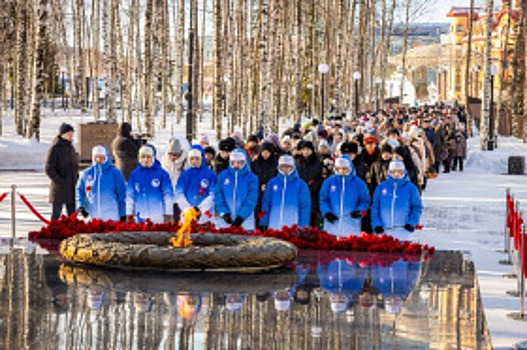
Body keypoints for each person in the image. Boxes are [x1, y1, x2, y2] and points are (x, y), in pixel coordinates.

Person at [371, 159, 423, 242]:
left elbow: (417, 207)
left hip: (404, 231)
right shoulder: (381, 187)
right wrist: (376, 224)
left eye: (399, 171)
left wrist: (412, 222)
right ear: (389, 172)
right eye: (393, 171)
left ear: (404, 172)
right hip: (384, 231)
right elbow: (375, 207)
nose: (396, 174)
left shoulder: (411, 188)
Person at [319, 156, 370, 237]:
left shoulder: (359, 183)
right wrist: (326, 212)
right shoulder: (329, 182)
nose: (342, 171)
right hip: (331, 225)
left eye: (344, 168)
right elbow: (323, 200)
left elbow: (364, 201)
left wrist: (359, 211)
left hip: (352, 226)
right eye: (339, 168)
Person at [259, 155, 311, 231]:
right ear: (279, 168)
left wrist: (304, 225)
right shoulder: (272, 183)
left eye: (288, 167)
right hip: (273, 224)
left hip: (293, 224)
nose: (285, 169)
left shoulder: (301, 185)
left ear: (293, 168)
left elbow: (305, 206)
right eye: (283, 167)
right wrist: (263, 221)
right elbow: (266, 203)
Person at [126, 144, 174, 223]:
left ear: (153, 157)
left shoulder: (162, 174)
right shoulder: (135, 174)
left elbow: (168, 195)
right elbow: (130, 196)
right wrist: (129, 214)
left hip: (157, 218)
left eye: (148, 157)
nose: (145, 160)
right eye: (143, 157)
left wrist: (168, 214)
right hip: (140, 218)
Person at [76, 145, 126, 221]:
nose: (99, 160)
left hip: (111, 217)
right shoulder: (87, 173)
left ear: (106, 157)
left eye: (102, 157)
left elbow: (122, 194)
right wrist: (81, 207)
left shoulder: (115, 173)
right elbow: (79, 190)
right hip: (92, 217)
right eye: (97, 157)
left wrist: (123, 214)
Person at [215, 149, 259, 231]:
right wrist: (224, 213)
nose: (236, 165)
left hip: (245, 222)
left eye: (240, 162)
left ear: (244, 162)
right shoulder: (222, 176)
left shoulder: (252, 178)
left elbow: (252, 198)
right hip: (225, 222)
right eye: (233, 162)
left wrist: (242, 216)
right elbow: (218, 195)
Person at [175, 145, 217, 224]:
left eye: (197, 158)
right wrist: (187, 208)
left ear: (202, 158)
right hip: (188, 214)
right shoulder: (185, 175)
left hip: (205, 215)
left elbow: (214, 194)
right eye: (192, 158)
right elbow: (179, 193)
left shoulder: (210, 174)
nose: (194, 161)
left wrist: (200, 208)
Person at [45, 123, 79, 220]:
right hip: (59, 188)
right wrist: (60, 180)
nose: (71, 135)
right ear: (62, 134)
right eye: (69, 133)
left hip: (71, 187)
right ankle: (53, 233)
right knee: (56, 214)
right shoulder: (55, 149)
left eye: (72, 132)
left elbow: (74, 166)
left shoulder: (71, 148)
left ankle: (72, 232)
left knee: (72, 215)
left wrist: (76, 179)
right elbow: (49, 168)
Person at [161, 136, 190, 220]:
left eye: (175, 155)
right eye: (171, 154)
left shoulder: (185, 162)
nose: (173, 157)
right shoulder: (164, 161)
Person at [295, 140, 323, 227]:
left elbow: (320, 178)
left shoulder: (318, 163)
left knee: (312, 218)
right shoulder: (297, 162)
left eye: (308, 149)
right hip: (299, 194)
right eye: (304, 149)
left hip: (313, 194)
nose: (306, 151)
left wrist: (312, 186)